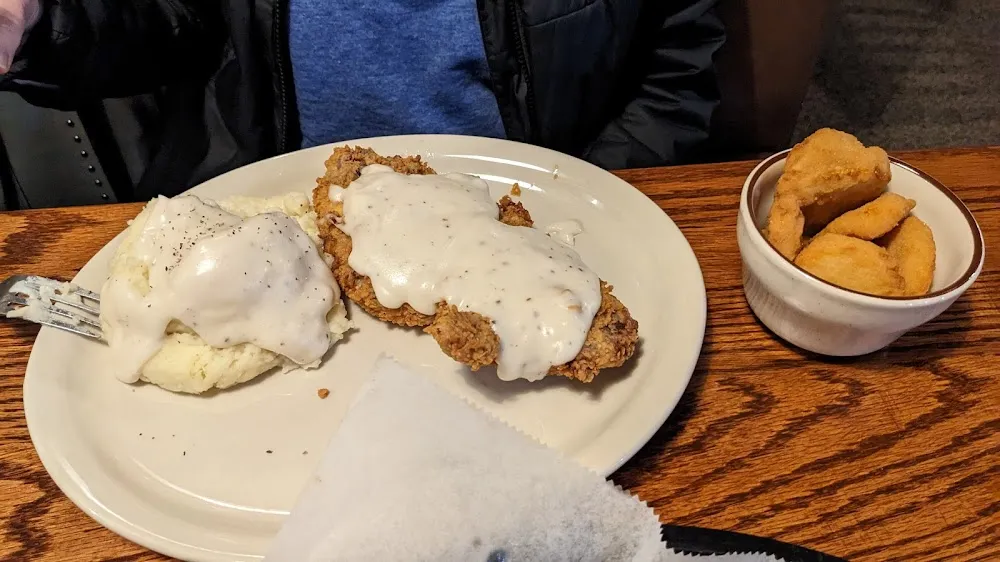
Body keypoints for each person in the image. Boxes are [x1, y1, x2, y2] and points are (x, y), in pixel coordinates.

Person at [0, 0, 724, 199]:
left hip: (528, 226)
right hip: (270, 222)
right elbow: (158, 20)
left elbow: (677, 72)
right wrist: (37, 20)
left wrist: (583, 209)